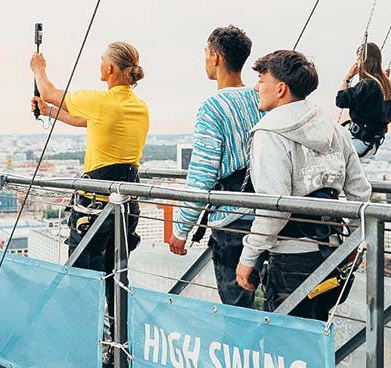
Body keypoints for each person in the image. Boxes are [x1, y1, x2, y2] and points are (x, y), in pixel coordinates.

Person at [236, 50, 371, 321]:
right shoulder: (336, 131)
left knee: (287, 340)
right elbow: (360, 193)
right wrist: (353, 245)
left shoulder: (270, 133)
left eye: (261, 80)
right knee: (314, 333)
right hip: (330, 251)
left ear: (281, 89)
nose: (257, 87)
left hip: (290, 258)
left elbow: (274, 207)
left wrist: (248, 257)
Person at [31, 41, 149, 312]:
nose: (100, 65)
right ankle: (118, 333)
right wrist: (49, 112)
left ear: (110, 68)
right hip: (127, 202)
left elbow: (48, 92)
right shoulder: (139, 107)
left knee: (84, 280)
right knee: (116, 275)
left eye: (102, 61)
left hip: (95, 205)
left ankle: (87, 333)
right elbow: (85, 120)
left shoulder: (100, 101)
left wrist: (38, 68)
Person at [168, 26, 263, 307]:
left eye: (206, 54)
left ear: (217, 57)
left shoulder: (213, 107)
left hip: (232, 222)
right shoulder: (260, 99)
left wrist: (181, 230)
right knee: (271, 311)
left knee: (238, 312)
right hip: (266, 217)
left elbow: (202, 175)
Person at [335, 42, 391, 158]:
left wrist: (347, 77)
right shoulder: (388, 85)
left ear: (362, 62)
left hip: (359, 142)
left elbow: (340, 100)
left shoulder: (367, 86)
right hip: (372, 144)